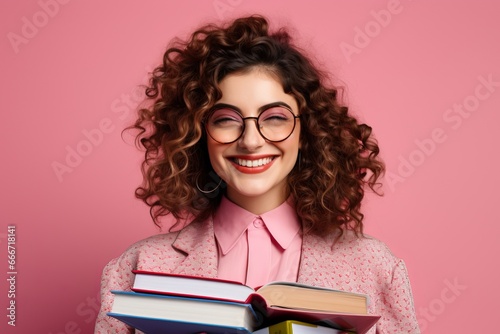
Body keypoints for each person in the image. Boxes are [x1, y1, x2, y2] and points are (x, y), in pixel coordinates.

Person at [95, 15, 420, 333]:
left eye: (275, 117)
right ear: (197, 132)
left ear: (306, 130)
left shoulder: (376, 268)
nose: (251, 141)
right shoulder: (138, 268)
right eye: (225, 119)